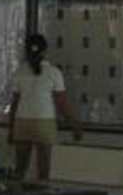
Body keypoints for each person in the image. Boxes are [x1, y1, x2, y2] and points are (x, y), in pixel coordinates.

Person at [5, 34, 82, 184]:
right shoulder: (54, 72)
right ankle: (41, 194)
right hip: (44, 122)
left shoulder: (19, 72)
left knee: (20, 169)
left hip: (22, 122)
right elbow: (62, 103)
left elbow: (15, 103)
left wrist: (11, 129)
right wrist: (74, 125)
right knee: (43, 170)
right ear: (45, 51)